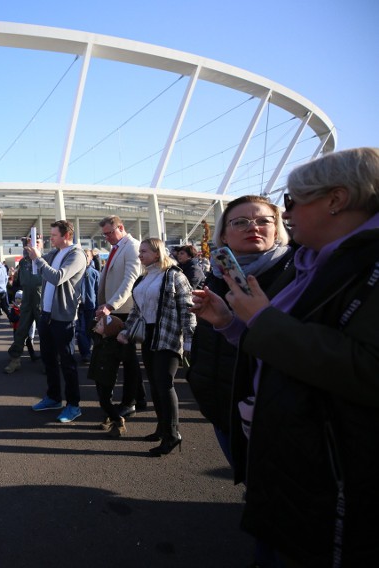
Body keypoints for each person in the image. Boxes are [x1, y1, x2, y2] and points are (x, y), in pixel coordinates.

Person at [191, 147, 379, 566]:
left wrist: (260, 320)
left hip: (332, 458)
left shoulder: (360, 267)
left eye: (289, 205)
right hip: (279, 437)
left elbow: (367, 367)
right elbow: (278, 345)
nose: (285, 216)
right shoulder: (315, 263)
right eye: (241, 222)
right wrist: (230, 323)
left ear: (335, 200)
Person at [186, 194, 293, 466]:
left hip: (275, 411)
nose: (253, 227)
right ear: (223, 234)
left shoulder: (294, 274)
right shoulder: (219, 274)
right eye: (241, 221)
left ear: (277, 228)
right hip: (221, 405)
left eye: (263, 220)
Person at [117, 238, 195, 448]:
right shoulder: (145, 277)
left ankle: (172, 433)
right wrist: (126, 330)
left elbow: (187, 310)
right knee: (154, 383)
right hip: (148, 335)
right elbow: (137, 310)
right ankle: (162, 428)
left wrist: (189, 340)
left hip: (168, 335)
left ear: (157, 252)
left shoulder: (174, 276)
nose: (140, 255)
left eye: (144, 251)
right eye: (140, 251)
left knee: (164, 384)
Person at [28, 220, 87, 423]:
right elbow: (38, 267)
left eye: (53, 235)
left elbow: (58, 277)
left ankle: (74, 405)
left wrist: (39, 259)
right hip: (47, 315)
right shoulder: (55, 253)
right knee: (49, 360)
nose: (50, 238)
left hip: (64, 318)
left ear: (66, 236)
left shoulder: (76, 255)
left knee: (67, 362)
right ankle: (54, 397)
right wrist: (34, 251)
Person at [89, 215, 147, 422]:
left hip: (124, 310)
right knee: (126, 357)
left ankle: (129, 402)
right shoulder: (116, 248)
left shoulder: (131, 247)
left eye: (109, 233)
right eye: (104, 234)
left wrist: (111, 304)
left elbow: (129, 280)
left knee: (128, 359)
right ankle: (138, 398)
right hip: (113, 309)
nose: (107, 238)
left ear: (120, 227)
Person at [3, 235, 43, 374]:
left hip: (40, 300)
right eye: (30, 243)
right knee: (21, 331)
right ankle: (15, 359)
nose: (33, 246)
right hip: (26, 300)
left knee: (44, 332)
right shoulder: (24, 263)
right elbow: (18, 282)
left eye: (37, 243)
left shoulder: (45, 261)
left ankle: (48, 362)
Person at [75, 249, 99, 363]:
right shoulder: (75, 272)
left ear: (91, 258)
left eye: (87, 256)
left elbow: (98, 291)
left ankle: (92, 352)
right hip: (79, 306)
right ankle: (85, 353)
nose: (85, 258)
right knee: (81, 330)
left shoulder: (94, 273)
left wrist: (99, 306)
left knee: (91, 330)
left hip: (91, 306)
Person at [8, 289, 38, 361]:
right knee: (17, 343)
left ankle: (32, 355)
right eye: (16, 298)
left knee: (28, 343)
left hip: (25, 328)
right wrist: (19, 317)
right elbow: (12, 318)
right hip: (17, 329)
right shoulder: (13, 309)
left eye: (20, 298)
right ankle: (14, 356)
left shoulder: (25, 307)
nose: (18, 300)